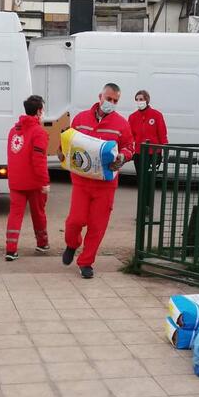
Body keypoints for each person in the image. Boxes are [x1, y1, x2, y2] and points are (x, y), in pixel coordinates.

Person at [62, 83, 135, 279]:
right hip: (81, 181)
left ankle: (86, 262)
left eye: (115, 101)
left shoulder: (122, 124)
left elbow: (129, 146)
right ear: (100, 96)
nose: (111, 103)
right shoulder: (81, 118)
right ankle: (72, 243)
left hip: (106, 184)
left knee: (97, 226)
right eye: (108, 98)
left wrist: (123, 156)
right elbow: (69, 141)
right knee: (75, 221)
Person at [5, 95, 51, 261]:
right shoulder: (39, 132)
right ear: (39, 111)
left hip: (16, 181)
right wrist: (45, 182)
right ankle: (42, 243)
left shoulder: (13, 130)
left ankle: (11, 250)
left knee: (15, 215)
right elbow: (39, 160)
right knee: (38, 213)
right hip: (34, 182)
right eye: (43, 110)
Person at [128, 90, 168, 172]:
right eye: (137, 99)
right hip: (139, 153)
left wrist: (165, 149)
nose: (139, 102)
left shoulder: (157, 115)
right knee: (140, 178)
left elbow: (162, 134)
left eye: (141, 99)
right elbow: (130, 136)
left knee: (150, 179)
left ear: (147, 100)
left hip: (154, 153)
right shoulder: (132, 117)